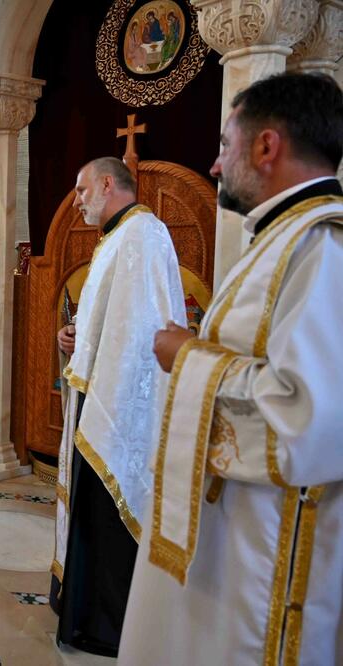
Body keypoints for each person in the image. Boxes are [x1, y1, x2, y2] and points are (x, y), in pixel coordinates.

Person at [119, 72, 343, 666]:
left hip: (265, 551)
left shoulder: (323, 248)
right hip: (234, 533)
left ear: (266, 146)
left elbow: (306, 419)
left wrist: (184, 357)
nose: (216, 167)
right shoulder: (284, 238)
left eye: (224, 146)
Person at [52, 157, 186, 657]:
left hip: (119, 403)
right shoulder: (118, 237)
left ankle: (107, 624)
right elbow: (111, 319)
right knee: (91, 513)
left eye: (83, 189)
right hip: (98, 392)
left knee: (108, 516)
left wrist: (100, 370)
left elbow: (143, 329)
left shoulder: (143, 236)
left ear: (109, 184)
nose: (78, 198)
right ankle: (85, 614)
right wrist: (75, 336)